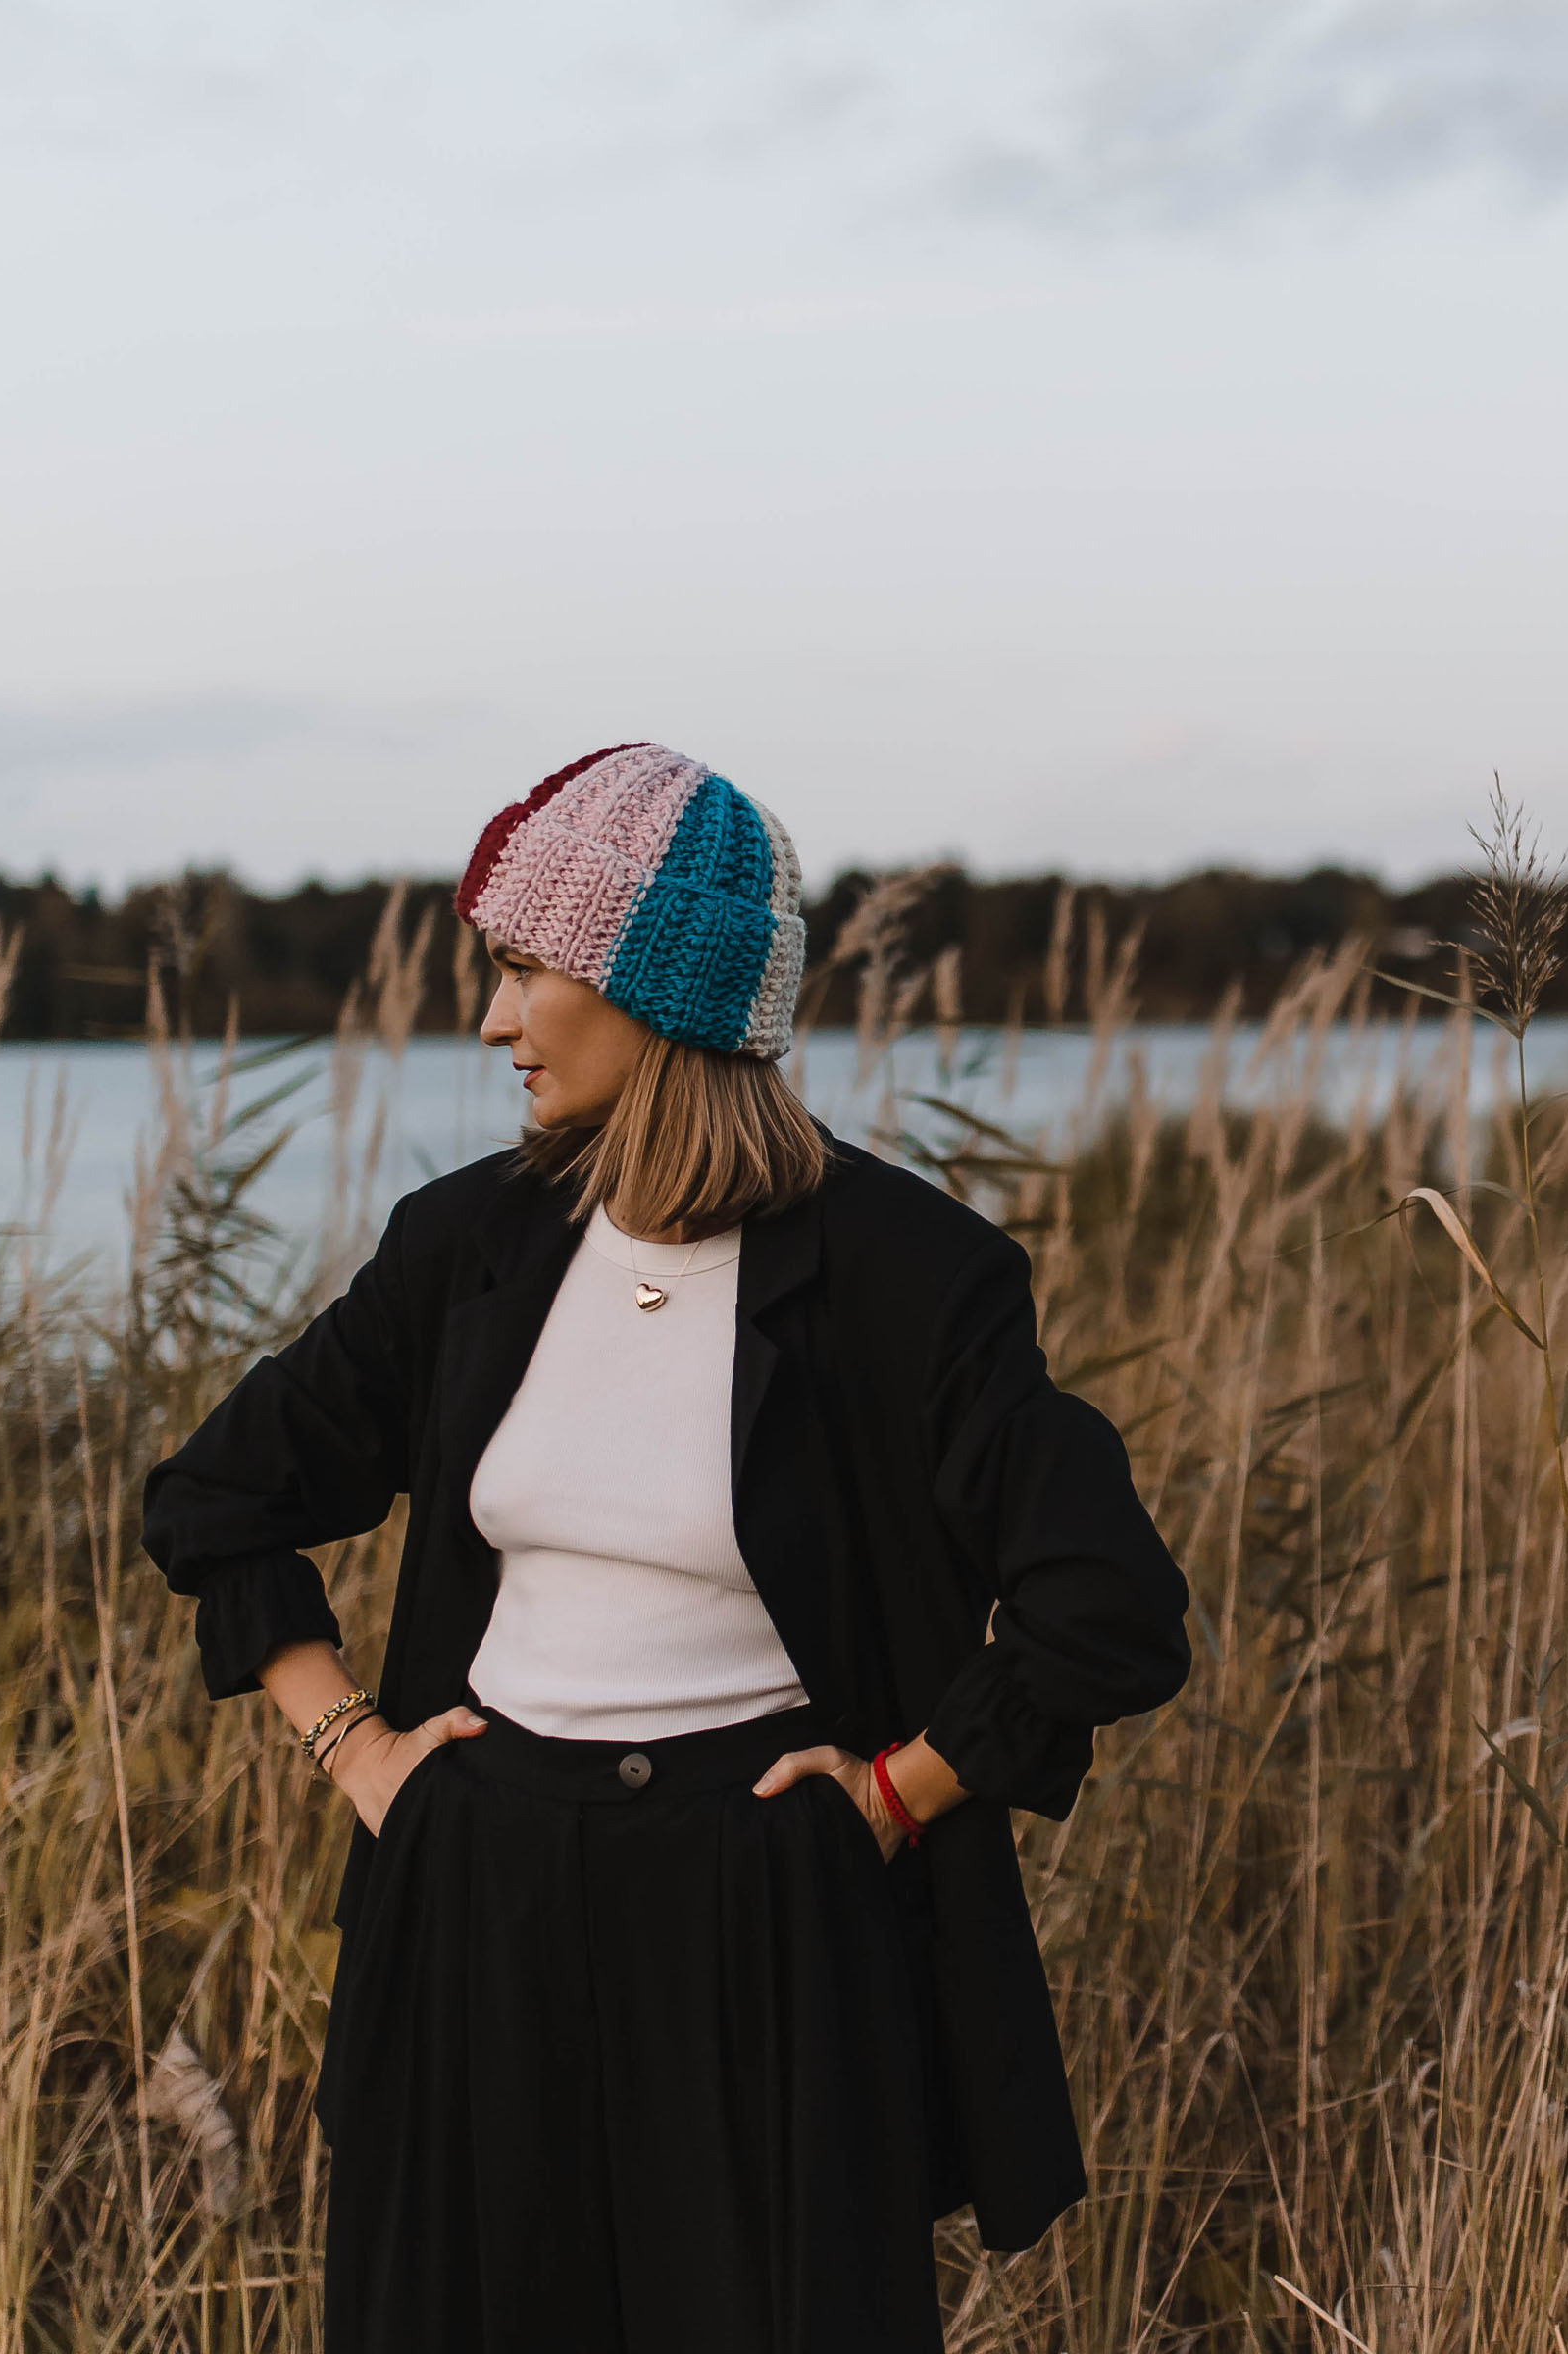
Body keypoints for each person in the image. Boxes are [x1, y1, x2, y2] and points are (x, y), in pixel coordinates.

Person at [141, 742, 1191, 2354]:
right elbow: (216, 1497)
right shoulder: (469, 1245)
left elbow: (1106, 1606)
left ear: (655, 991)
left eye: (523, 968)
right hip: (475, 1891)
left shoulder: (912, 1275)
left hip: (764, 1908)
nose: (493, 1020)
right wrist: (355, 1748)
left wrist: (900, 1792)